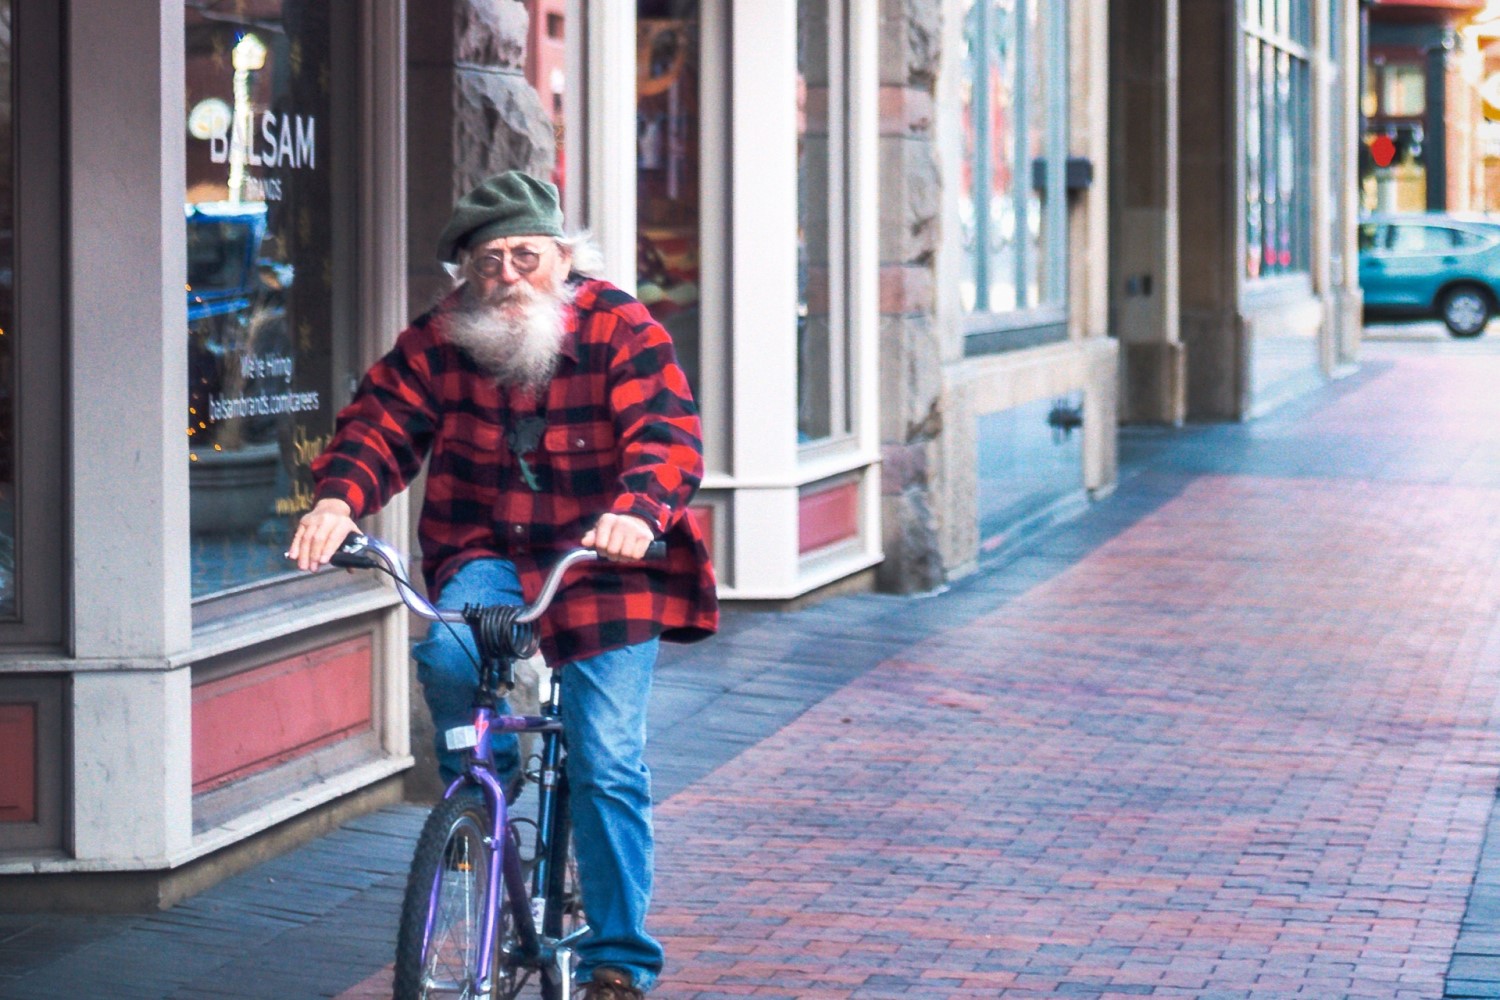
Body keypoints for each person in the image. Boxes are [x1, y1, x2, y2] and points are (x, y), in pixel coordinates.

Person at [287, 170, 717, 999]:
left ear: (563, 257)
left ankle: (619, 961)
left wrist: (637, 510)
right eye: (490, 261)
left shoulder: (621, 327)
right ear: (466, 273)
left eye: (527, 255)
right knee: (449, 657)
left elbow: (667, 436)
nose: (510, 275)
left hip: (603, 560)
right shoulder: (443, 339)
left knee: (607, 762)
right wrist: (340, 498)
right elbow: (380, 421)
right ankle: (487, 801)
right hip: (485, 548)